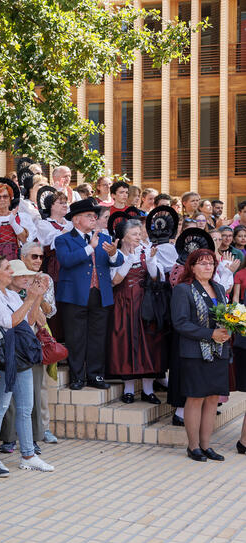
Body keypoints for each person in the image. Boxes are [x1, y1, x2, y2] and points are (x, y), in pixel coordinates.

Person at [0, 256, 54, 474]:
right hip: (3, 356)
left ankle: (28, 454)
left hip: (19, 355)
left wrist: (36, 297)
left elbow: (28, 322)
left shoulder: (10, 294)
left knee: (25, 408)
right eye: (7, 268)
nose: (11, 271)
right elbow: (8, 322)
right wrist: (29, 299)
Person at [56, 198, 123, 390]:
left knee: (98, 336)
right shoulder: (63, 239)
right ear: (76, 220)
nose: (94, 218)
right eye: (89, 216)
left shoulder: (104, 238)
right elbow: (66, 261)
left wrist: (113, 254)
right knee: (75, 337)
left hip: (100, 294)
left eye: (95, 216)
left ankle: (95, 376)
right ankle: (77, 377)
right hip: (74, 295)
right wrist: (89, 248)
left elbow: (116, 263)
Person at [171, 249, 230, 462]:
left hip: (219, 352)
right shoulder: (183, 290)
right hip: (194, 352)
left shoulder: (220, 289)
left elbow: (226, 316)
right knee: (195, 398)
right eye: (202, 263)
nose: (208, 267)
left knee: (213, 398)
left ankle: (207, 446)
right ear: (192, 267)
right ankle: (193, 446)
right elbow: (180, 323)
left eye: (211, 263)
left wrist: (230, 328)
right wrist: (210, 334)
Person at [108, 221, 164, 405]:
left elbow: (156, 277)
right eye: (134, 234)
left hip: (145, 303)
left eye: (139, 233)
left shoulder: (147, 251)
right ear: (123, 237)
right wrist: (128, 261)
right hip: (123, 302)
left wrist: (150, 261)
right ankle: (129, 389)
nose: (138, 237)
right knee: (125, 341)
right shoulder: (115, 254)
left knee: (148, 343)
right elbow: (115, 281)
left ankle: (148, 390)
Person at [20, 242, 59, 444]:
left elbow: (50, 311)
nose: (37, 260)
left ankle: (44, 428)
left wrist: (41, 294)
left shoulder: (46, 278)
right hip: (18, 332)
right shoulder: (16, 275)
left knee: (41, 385)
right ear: (23, 257)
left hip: (37, 333)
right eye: (33, 256)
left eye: (40, 257)